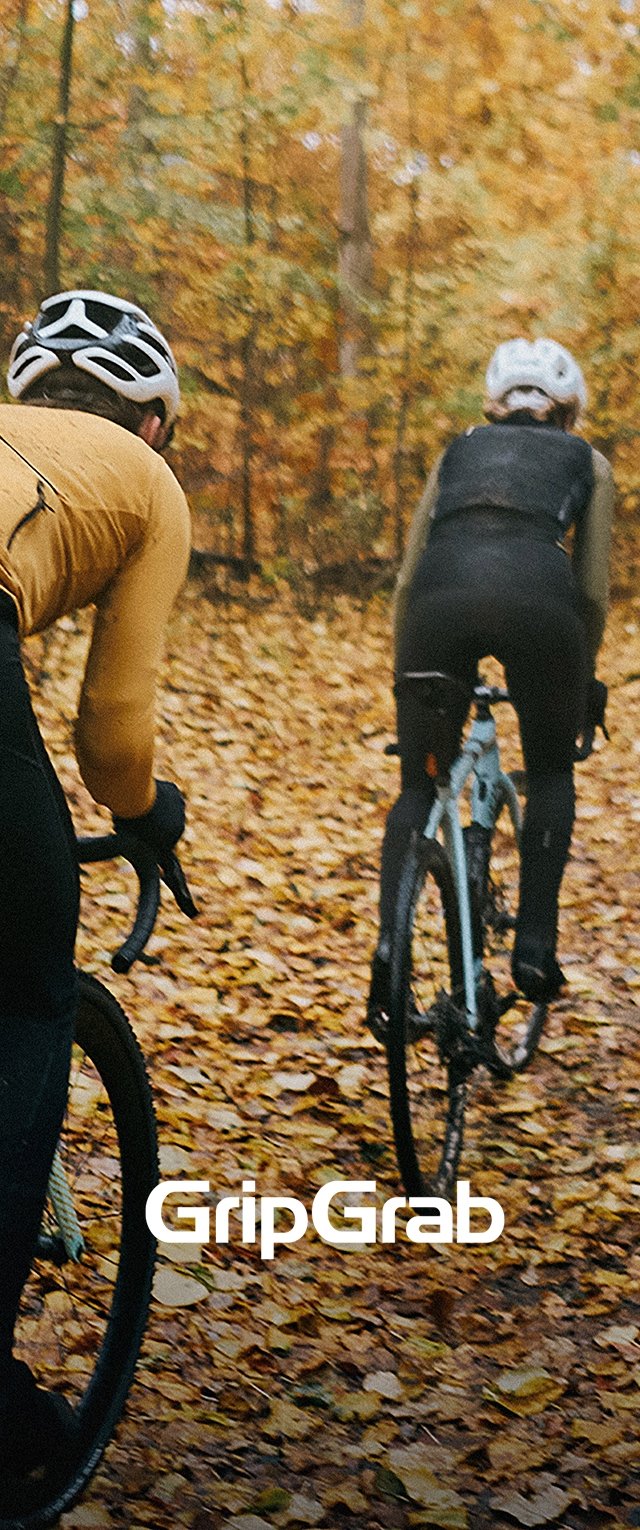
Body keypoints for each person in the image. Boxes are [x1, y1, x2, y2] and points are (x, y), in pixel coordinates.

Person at [0, 290, 191, 1476]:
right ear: (156, 424)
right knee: (25, 991)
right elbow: (114, 733)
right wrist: (146, 816)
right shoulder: (146, 479)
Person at [369, 337, 614, 1030]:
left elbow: (411, 574)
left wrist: (405, 677)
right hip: (541, 606)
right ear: (567, 409)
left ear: (495, 403)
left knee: (418, 786)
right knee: (552, 773)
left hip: (436, 606)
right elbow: (591, 589)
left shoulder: (456, 452)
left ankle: (390, 949)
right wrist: (581, 676)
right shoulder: (586, 461)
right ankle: (534, 948)